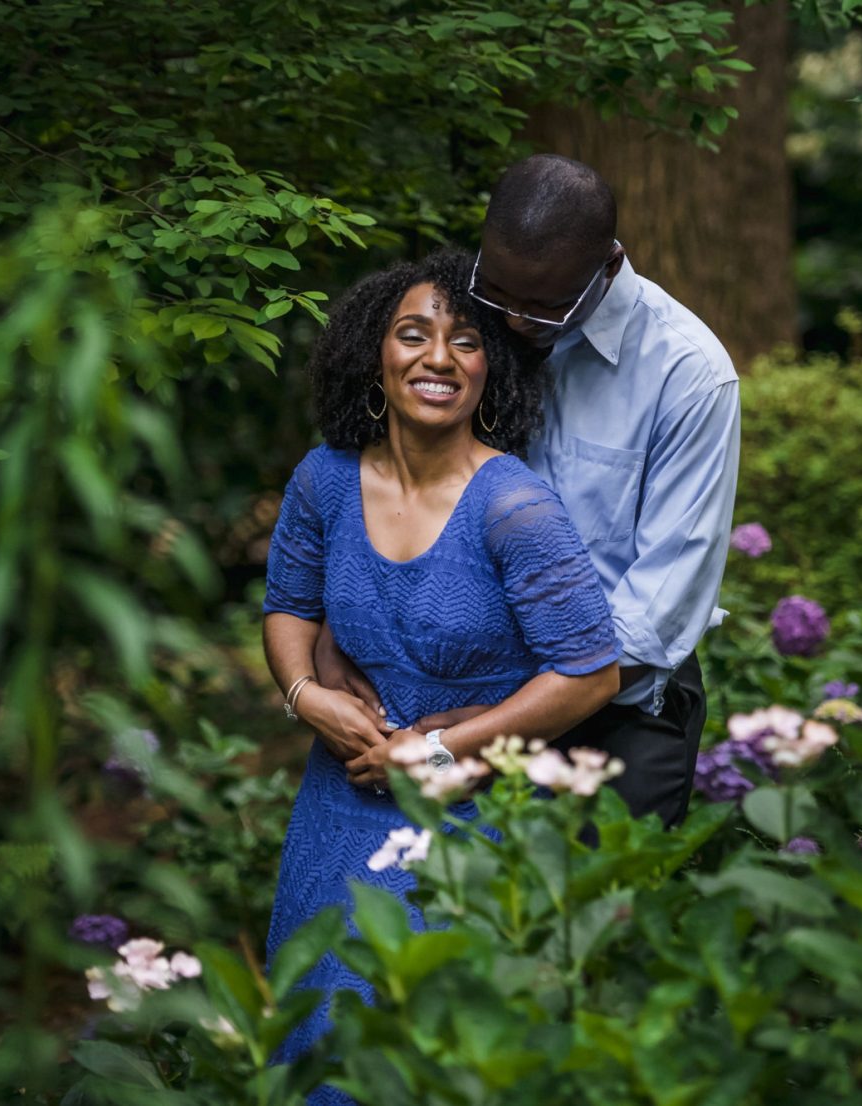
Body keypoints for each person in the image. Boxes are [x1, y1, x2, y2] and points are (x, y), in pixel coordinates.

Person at [260, 249, 621, 1095]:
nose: (438, 358)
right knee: (316, 1035)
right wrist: (305, 695)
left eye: (465, 342)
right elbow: (288, 607)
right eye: (413, 334)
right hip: (337, 804)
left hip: (471, 819)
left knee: (429, 1051)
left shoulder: (515, 507)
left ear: (488, 369)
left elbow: (590, 674)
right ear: (371, 358)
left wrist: (445, 755)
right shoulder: (325, 480)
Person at [314, 154, 741, 829]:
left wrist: (498, 721)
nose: (512, 323)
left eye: (542, 306)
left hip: (612, 724)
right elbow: (405, 490)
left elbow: (660, 612)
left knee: (592, 922)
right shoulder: (480, 318)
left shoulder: (687, 374)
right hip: (444, 702)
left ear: (607, 265)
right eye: (500, 295)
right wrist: (341, 636)